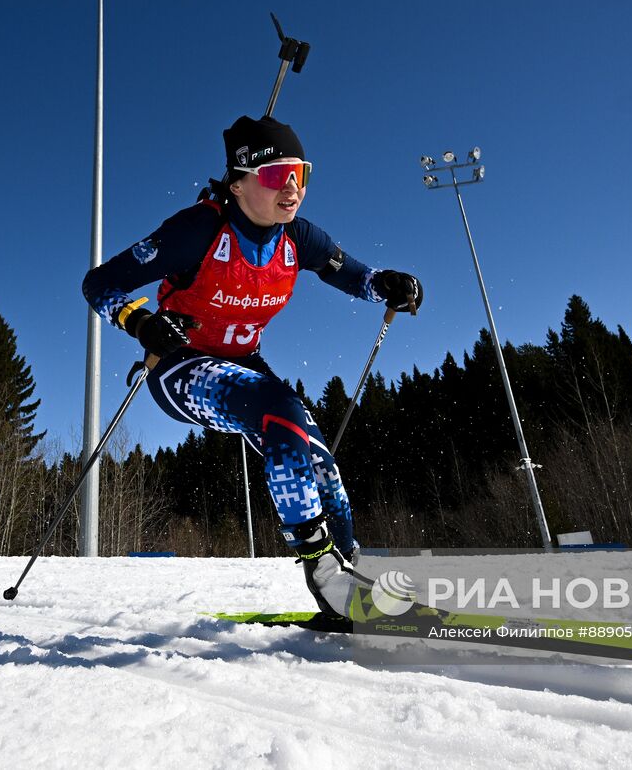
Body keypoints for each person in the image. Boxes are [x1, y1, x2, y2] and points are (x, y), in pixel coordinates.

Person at [82, 114, 423, 616]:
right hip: (181, 366)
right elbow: (100, 283)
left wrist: (387, 284)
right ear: (238, 184)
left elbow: (354, 275)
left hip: (245, 364)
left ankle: (346, 582)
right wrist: (138, 321)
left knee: (318, 460)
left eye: (299, 174)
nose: (290, 188)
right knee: (279, 408)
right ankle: (324, 575)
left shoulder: (298, 239)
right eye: (273, 175)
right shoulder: (196, 231)